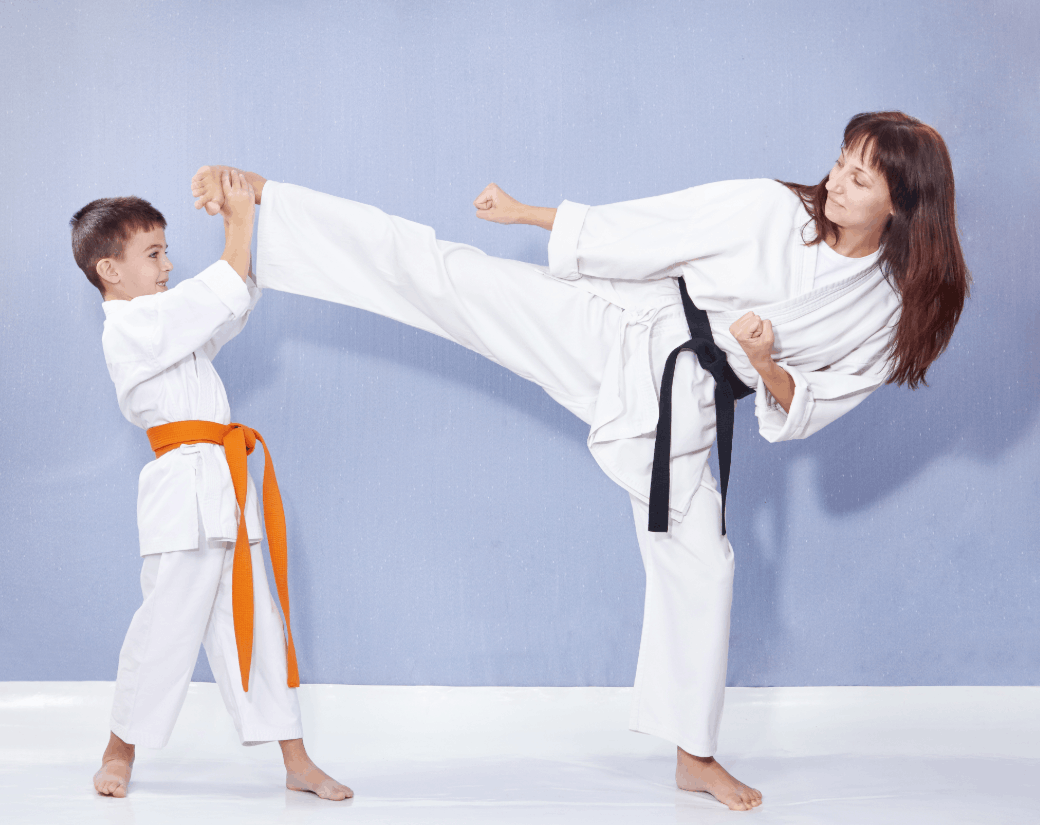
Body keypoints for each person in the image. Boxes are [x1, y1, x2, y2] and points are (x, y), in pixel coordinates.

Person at [191, 111, 968, 812]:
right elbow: (652, 229)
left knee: (704, 564)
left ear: (901, 205)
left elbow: (811, 403)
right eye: (839, 162)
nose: (835, 181)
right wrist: (528, 212)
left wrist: (764, 362)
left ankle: (693, 755)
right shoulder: (773, 209)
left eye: (860, 178)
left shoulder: (884, 308)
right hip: (615, 326)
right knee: (449, 275)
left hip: (684, 403)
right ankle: (272, 207)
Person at [71, 170, 352, 801]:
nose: (168, 264)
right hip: (181, 492)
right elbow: (207, 300)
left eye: (166, 250)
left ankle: (295, 758)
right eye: (153, 254)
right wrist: (240, 222)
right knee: (164, 627)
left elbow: (228, 306)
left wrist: (235, 225)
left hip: (226, 486)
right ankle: (119, 749)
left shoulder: (171, 326)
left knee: (258, 625)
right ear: (110, 271)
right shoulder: (132, 327)